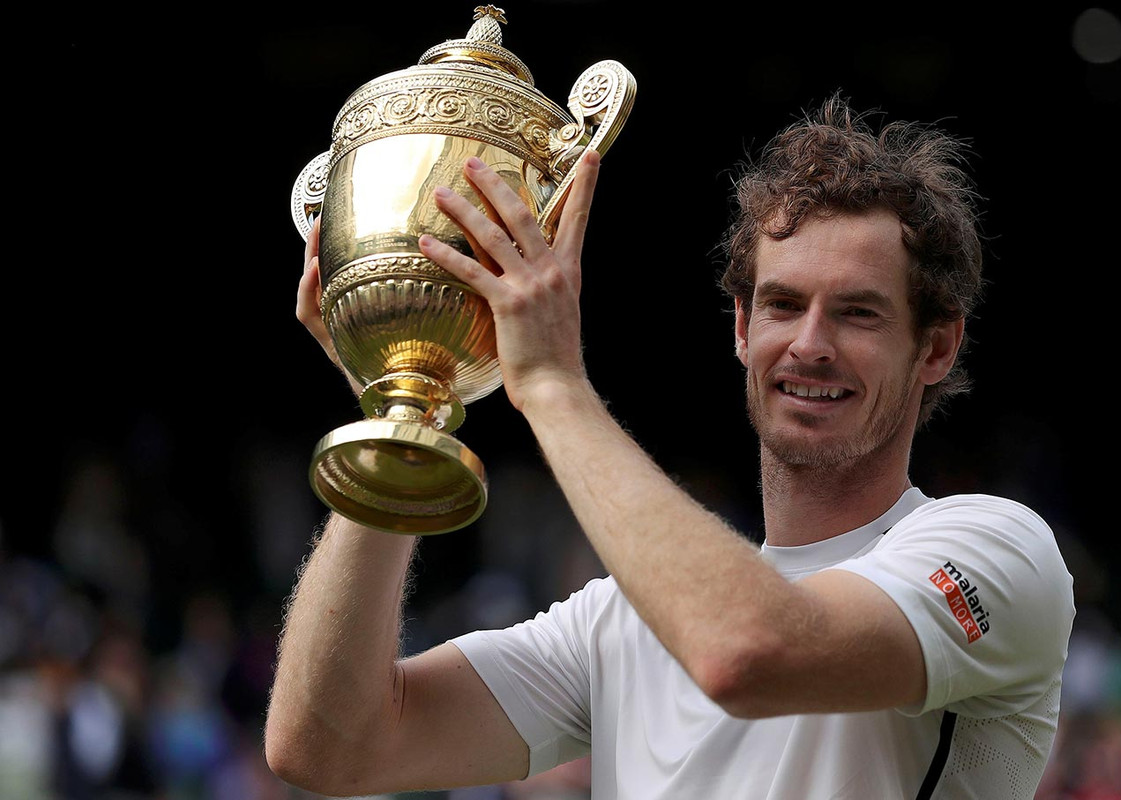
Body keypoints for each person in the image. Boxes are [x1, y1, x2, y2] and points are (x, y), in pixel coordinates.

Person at [265, 95, 1075, 799]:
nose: (810, 345)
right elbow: (330, 746)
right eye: (784, 305)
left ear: (935, 349)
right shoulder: (622, 617)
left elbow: (749, 652)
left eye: (859, 313)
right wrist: (404, 403)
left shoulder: (996, 549)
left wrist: (552, 382)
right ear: (742, 327)